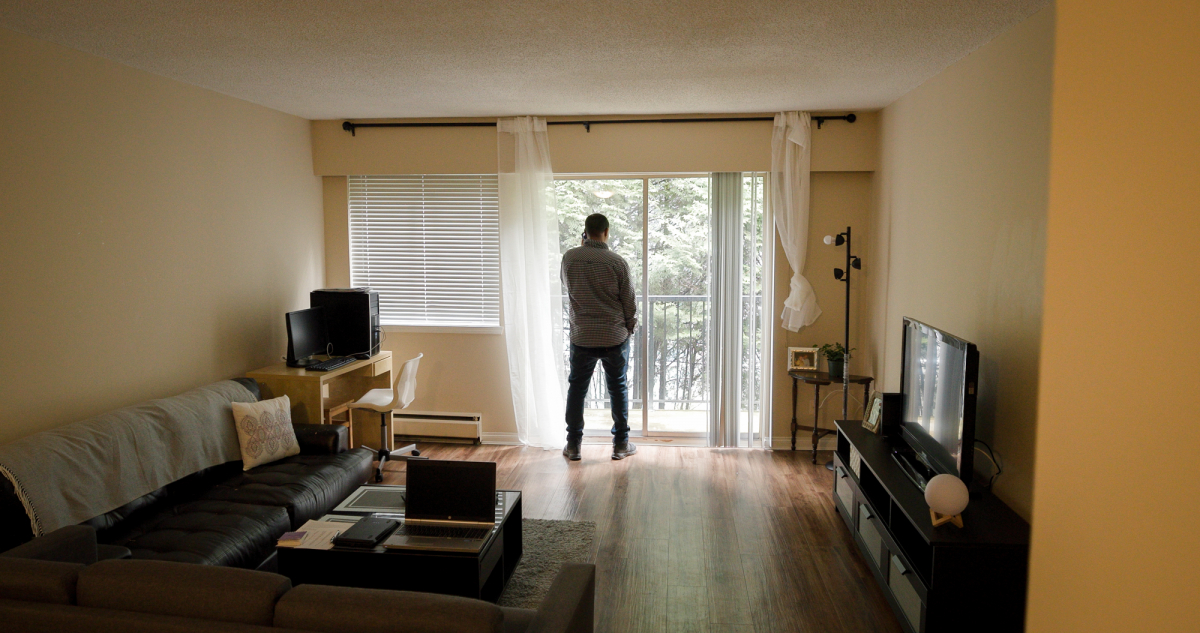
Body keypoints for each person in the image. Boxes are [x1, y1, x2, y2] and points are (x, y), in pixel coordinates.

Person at [560, 213, 638, 461]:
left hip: (582, 336)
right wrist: (629, 327)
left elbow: (568, 286)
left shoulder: (570, 258)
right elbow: (629, 302)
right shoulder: (617, 262)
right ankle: (621, 444)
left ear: (585, 232)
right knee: (617, 388)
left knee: (577, 389)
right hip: (613, 336)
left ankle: (573, 445)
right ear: (606, 232)